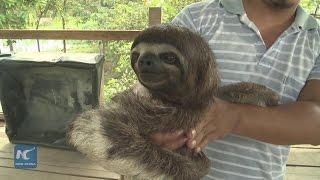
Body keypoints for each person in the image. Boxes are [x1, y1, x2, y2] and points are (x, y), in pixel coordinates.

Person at [150, 0, 320, 179]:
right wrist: (156, 128)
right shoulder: (198, 18)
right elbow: (151, 90)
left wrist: (233, 116)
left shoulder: (315, 39)